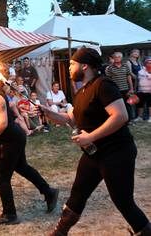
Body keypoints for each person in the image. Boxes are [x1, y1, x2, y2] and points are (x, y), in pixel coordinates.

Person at [40, 47, 150, 236]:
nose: (68, 67)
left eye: (72, 64)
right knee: (77, 195)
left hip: (117, 153)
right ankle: (59, 233)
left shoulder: (103, 85)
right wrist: (48, 112)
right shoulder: (82, 91)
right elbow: (70, 119)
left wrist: (90, 137)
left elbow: (121, 116)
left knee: (123, 201)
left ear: (84, 66)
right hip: (93, 154)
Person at [0, 64, 59, 226]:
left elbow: (3, 123)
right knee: (22, 167)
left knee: (1, 177)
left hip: (9, 140)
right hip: (13, 138)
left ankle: (10, 214)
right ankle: (49, 192)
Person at [105, 51, 134, 120]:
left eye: (119, 57)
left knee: (128, 105)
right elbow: (108, 80)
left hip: (126, 89)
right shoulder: (109, 68)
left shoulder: (125, 66)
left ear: (121, 58)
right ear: (113, 58)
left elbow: (129, 77)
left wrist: (131, 88)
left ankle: (129, 119)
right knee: (118, 106)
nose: (117, 58)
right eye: (116, 57)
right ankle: (120, 120)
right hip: (116, 90)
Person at [136, 57, 151, 122]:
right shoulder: (140, 71)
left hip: (150, 91)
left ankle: (150, 117)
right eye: (147, 62)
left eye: (150, 63)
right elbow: (138, 79)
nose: (149, 64)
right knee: (140, 105)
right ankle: (140, 117)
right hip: (141, 91)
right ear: (145, 63)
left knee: (150, 105)